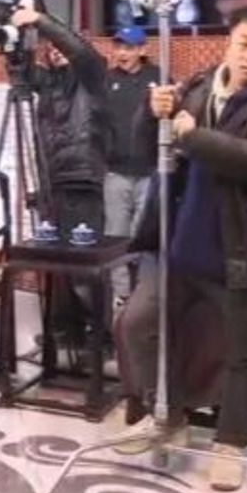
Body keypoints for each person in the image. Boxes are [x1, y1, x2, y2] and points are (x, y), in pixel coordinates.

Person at [118, 5, 247, 492]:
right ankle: (170, 414)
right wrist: (152, 113)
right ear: (229, 42)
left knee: (245, 353)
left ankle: (230, 444)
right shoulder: (199, 87)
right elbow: (146, 148)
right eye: (245, 43)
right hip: (183, 246)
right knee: (139, 323)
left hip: (243, 254)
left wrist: (191, 134)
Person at [9, 5, 109, 349]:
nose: (55, 51)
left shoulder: (92, 77)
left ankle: (100, 335)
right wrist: (17, 39)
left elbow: (81, 52)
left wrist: (40, 21)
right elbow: (21, 72)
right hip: (51, 183)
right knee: (55, 265)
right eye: (50, 47)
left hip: (82, 181)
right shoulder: (49, 82)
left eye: (59, 45)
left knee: (84, 268)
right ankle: (65, 330)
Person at [104, 25, 160, 299]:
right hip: (115, 173)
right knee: (115, 237)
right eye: (118, 47)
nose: (122, 53)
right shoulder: (107, 80)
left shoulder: (157, 78)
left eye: (128, 48)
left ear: (142, 50)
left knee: (144, 238)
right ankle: (121, 297)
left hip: (150, 173)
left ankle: (143, 297)